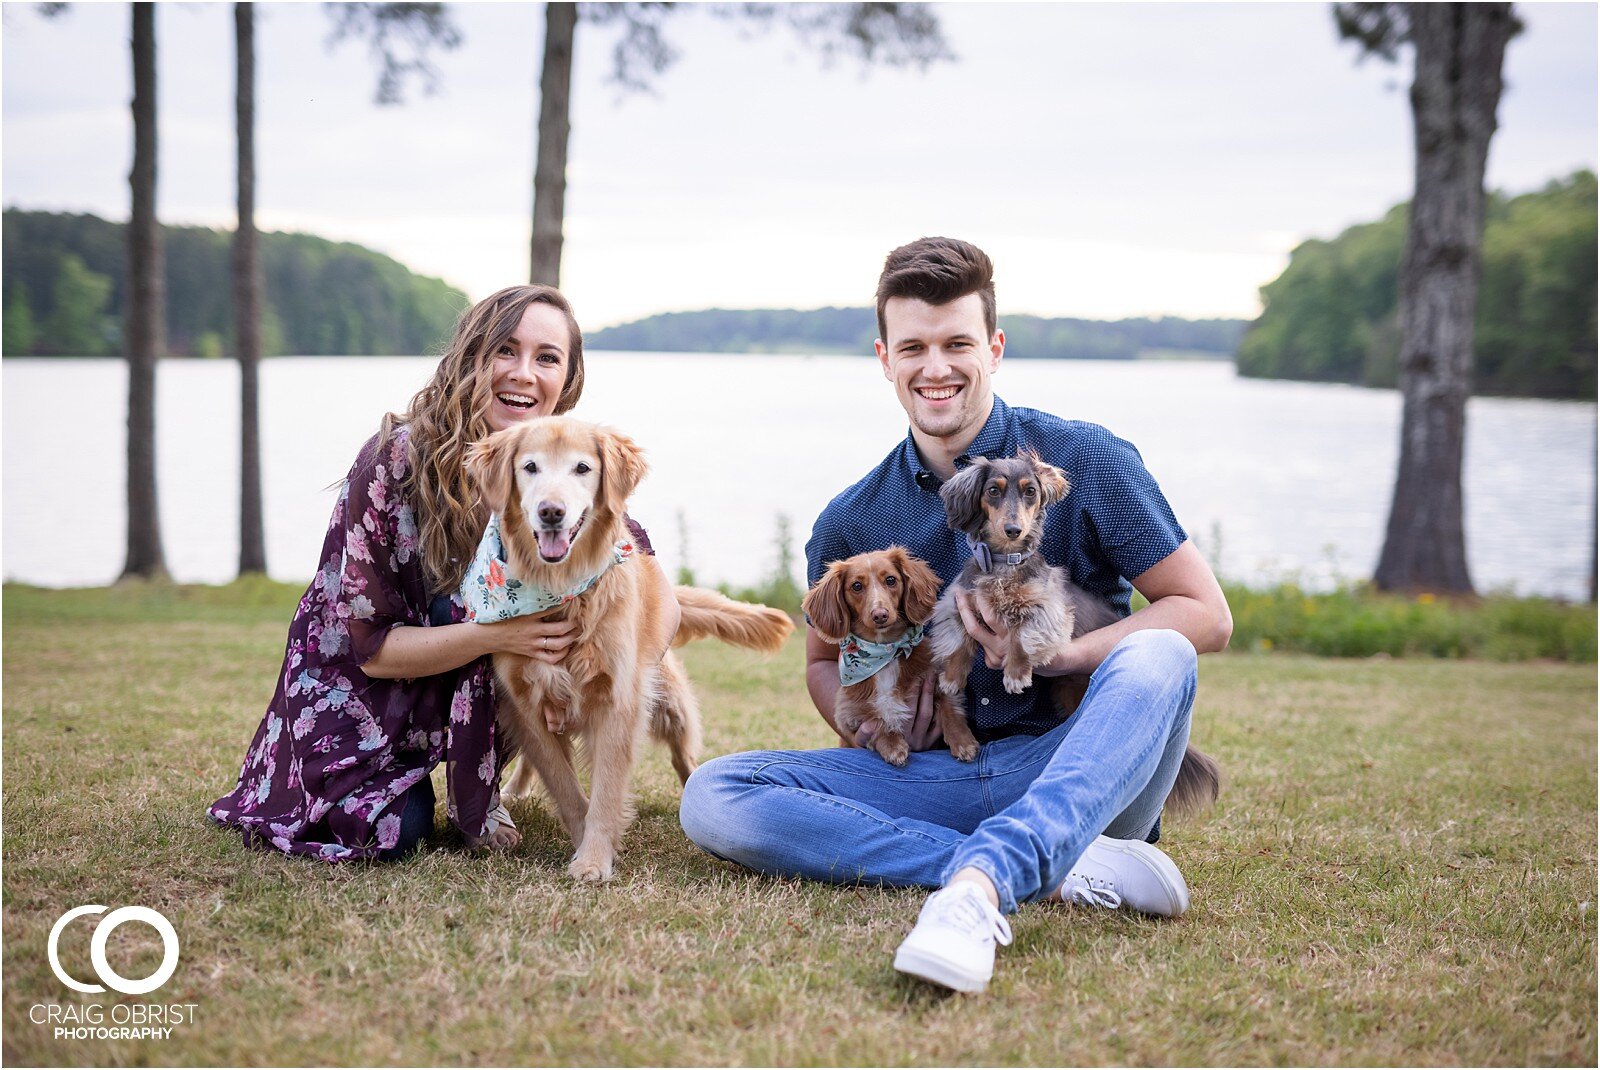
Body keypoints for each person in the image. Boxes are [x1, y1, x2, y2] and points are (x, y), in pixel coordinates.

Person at [679, 237, 1232, 993]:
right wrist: (869, 726)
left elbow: (1205, 613)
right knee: (715, 795)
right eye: (914, 346)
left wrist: (1056, 655)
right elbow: (818, 662)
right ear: (884, 358)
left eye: (957, 344)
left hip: (1075, 768)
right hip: (936, 777)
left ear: (994, 348)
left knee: (1164, 654)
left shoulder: (1087, 458)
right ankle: (1046, 867)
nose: (935, 368)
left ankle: (984, 883)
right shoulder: (851, 520)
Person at [208, 284, 677, 861]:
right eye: (505, 350)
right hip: (362, 691)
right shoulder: (393, 460)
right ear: (469, 356)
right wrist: (504, 637)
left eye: (547, 357)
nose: (524, 373)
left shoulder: (565, 474)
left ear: (567, 379)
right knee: (393, 834)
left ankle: (479, 784)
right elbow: (371, 649)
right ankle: (395, 780)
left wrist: (590, 673)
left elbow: (653, 589)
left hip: (466, 683)